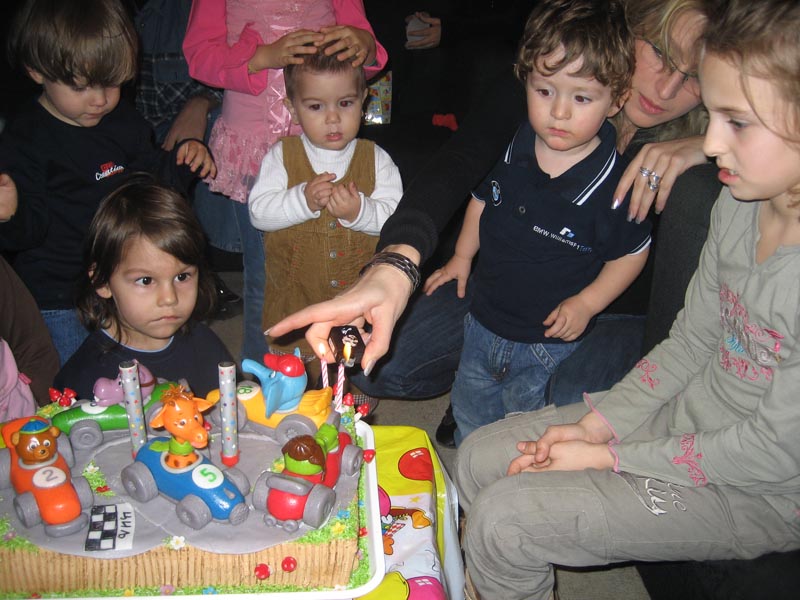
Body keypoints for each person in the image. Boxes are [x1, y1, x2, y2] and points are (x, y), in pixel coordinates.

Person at [454, 0, 800, 597]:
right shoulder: (737, 207)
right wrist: (597, 427)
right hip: (686, 417)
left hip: (759, 488)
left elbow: (771, 453)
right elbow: (689, 343)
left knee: (505, 524)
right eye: (714, 116)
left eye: (737, 122)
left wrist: (608, 457)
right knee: (477, 457)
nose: (710, 143)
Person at [267, 0, 711, 441]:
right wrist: (400, 261)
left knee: (560, 413)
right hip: (502, 290)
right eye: (661, 54)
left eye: (693, 76)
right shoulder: (543, 90)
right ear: (628, 31)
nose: (666, 88)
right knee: (383, 365)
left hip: (601, 312)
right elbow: (465, 169)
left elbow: (638, 258)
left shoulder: (713, 150)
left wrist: (710, 148)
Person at [422, 0, 651, 444]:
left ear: (616, 100)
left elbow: (631, 253)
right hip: (482, 321)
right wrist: (462, 257)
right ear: (525, 79)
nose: (559, 113)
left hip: (547, 343)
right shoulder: (515, 142)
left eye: (581, 98)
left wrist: (587, 303)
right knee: (470, 417)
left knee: (524, 435)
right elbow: (483, 198)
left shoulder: (615, 186)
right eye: (545, 91)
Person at [0, 0, 215, 365]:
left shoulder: (123, 122)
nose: (100, 100)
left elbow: (151, 182)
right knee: (79, 383)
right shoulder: (25, 141)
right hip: (62, 297)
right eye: (81, 86)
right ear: (37, 71)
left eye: (113, 83)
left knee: (140, 373)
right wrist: (10, 214)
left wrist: (183, 162)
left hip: (125, 283)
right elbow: (27, 235)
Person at [182, 0, 387, 362]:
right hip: (255, 143)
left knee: (337, 258)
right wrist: (262, 57)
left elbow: (366, 48)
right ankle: (263, 368)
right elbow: (199, 56)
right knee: (266, 271)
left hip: (329, 141)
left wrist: (362, 45)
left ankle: (337, 364)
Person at [249, 43, 402, 384]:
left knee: (351, 368)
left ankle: (348, 396)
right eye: (316, 106)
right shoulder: (281, 155)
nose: (333, 118)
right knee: (293, 377)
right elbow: (259, 212)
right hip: (295, 297)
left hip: (356, 299)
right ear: (292, 109)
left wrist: (360, 211)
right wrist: (302, 201)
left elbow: (397, 219)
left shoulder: (376, 159)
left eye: (345, 103)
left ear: (363, 101)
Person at [55, 178, 233, 400]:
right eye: (146, 281)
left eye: (182, 277)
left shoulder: (206, 345)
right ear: (102, 281)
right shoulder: (83, 378)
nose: (169, 298)